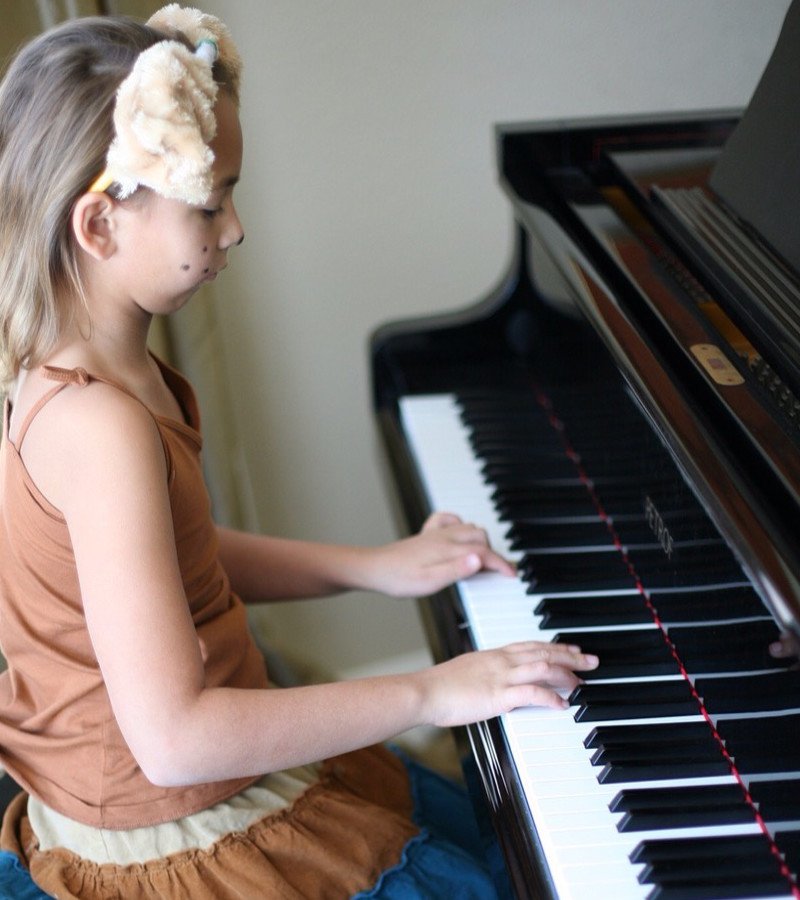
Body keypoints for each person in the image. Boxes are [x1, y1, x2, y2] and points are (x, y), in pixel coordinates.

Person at [0, 6, 599, 898]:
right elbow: (174, 741)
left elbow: (180, 557)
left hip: (197, 785)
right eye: (211, 202)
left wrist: (379, 567)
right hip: (180, 831)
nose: (235, 228)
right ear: (99, 226)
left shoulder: (104, 375)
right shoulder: (97, 426)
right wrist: (433, 692)